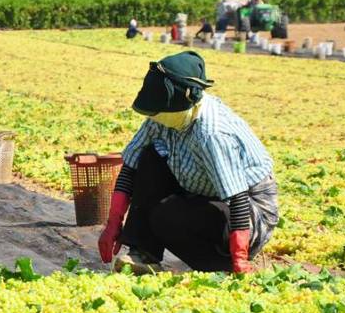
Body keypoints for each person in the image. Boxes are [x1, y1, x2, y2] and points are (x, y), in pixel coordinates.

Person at [97, 51, 278, 274]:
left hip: (248, 212)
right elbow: (131, 166)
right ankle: (143, 253)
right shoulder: (164, 116)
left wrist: (239, 257)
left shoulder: (212, 134)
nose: (154, 117)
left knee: (166, 216)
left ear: (187, 99)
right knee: (150, 157)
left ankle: (220, 266)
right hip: (203, 193)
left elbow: (237, 198)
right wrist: (113, 224)